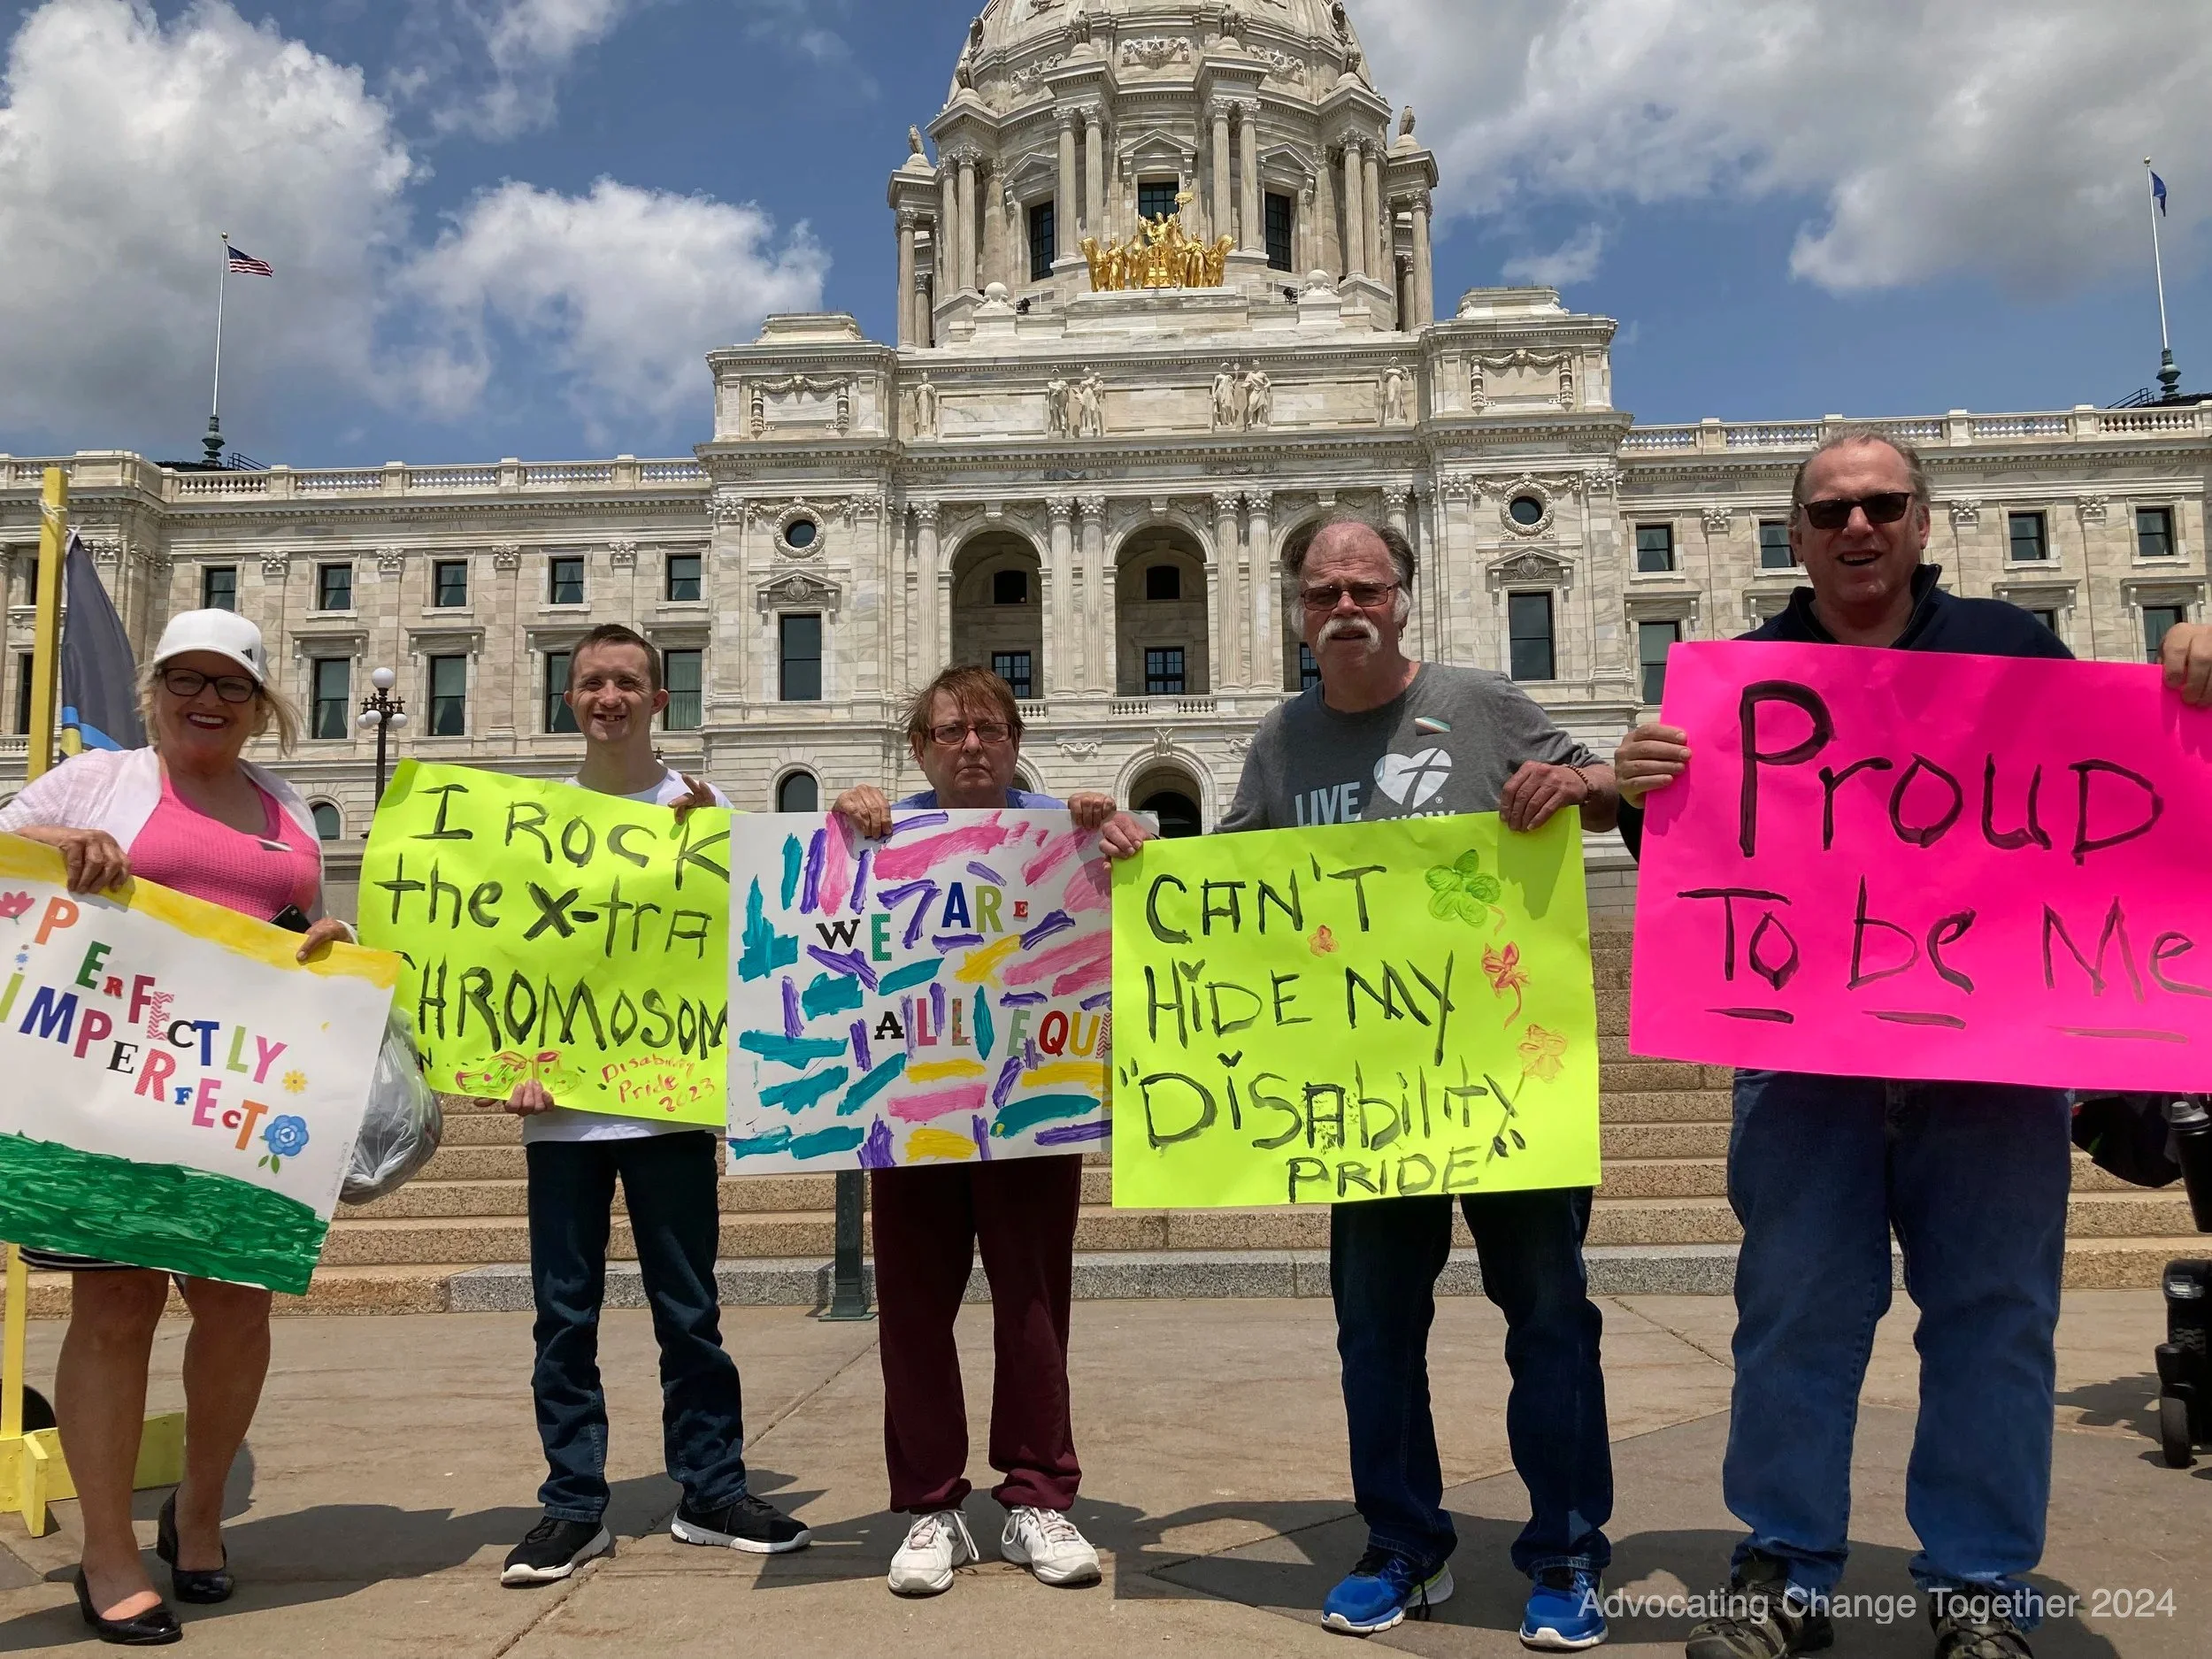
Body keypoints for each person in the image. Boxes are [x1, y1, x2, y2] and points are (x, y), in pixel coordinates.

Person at [1611, 430, 2212, 1659]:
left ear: (1924, 520)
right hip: (1804, 1057)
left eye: (1882, 503)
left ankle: (1980, 1577)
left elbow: (2126, 799)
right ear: (1796, 535)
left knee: (1996, 1313)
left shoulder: (2018, 649)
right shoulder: (1741, 677)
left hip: (1991, 1055)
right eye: (1830, 511)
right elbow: (1699, 860)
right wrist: (1640, 782)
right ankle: (1784, 1562)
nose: (1858, 526)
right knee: (1794, 1310)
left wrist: (2194, 678)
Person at [1217, 515, 1622, 1651]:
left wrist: (1573, 780)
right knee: (1374, 1327)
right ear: (1296, 612)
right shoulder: (1281, 742)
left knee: (1548, 1317)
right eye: (1320, 593)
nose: (1343, 608)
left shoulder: (1482, 704)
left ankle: (1566, 1549)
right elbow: (1225, 894)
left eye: (1364, 587)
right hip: (1365, 1098)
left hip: (1505, 1080)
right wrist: (1132, 858)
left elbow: (1610, 787)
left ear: (1402, 596)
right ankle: (1402, 1541)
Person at [0, 611, 353, 1645]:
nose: (207, 701)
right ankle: (105, 1553)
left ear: (259, 705)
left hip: (241, 1100)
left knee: (239, 1309)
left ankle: (197, 1513)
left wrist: (325, 940)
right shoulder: (94, 782)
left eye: (231, 686)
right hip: (108, 1085)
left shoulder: (283, 803)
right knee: (114, 1309)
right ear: (153, 690)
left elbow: (299, 924)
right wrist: (50, 843)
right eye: (186, 681)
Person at [829, 665, 1150, 1598]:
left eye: (987, 728)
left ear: (1014, 740)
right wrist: (842, 823)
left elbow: (1140, 928)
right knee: (914, 1314)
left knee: (1035, 1307)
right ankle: (931, 1507)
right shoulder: (879, 834)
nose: (970, 744)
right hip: (912, 1110)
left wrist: (1114, 838)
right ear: (919, 748)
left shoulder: (1068, 836)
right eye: (948, 731)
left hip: (1033, 1103)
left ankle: (1036, 1497)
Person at [498, 624, 810, 1586]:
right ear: (569, 697)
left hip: (669, 1105)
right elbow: (508, 953)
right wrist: (508, 1058)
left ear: (660, 698)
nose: (609, 697)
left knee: (691, 1309)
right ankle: (572, 1504)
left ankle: (711, 1488)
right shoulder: (534, 819)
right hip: (563, 1113)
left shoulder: (704, 809)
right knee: (563, 1314)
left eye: (627, 682)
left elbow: (752, 949)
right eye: (592, 682)